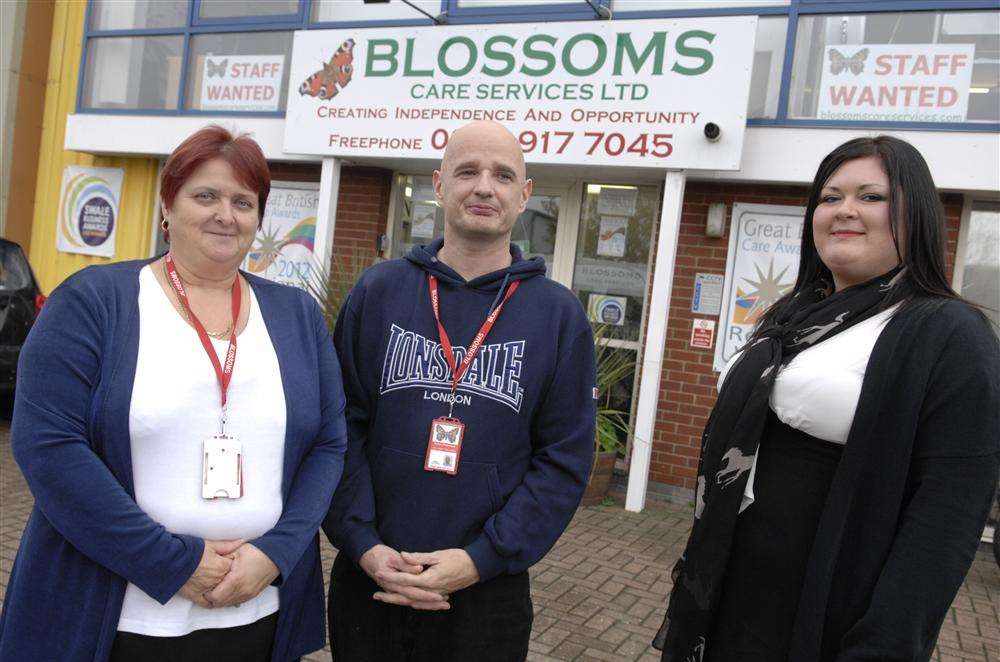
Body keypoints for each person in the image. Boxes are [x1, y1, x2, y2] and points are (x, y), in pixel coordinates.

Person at [0, 126, 348, 662]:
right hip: (117, 617)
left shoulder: (296, 315)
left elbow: (328, 443)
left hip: (256, 609)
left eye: (243, 201)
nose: (225, 214)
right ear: (168, 205)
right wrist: (172, 562)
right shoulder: (94, 302)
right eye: (204, 195)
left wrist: (275, 553)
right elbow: (48, 446)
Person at [654, 135, 999, 662]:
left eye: (871, 197)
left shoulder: (946, 332)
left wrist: (881, 648)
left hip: (819, 620)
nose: (845, 211)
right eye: (830, 197)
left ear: (918, 215)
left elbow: (945, 524)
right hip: (731, 598)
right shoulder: (795, 316)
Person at [323, 120, 596, 661]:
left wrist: (480, 559)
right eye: (467, 171)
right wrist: (362, 542)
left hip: (485, 593)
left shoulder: (558, 316)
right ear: (439, 185)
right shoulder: (379, 292)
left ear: (525, 195)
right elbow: (338, 428)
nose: (484, 187)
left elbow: (563, 460)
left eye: (502, 175)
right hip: (372, 577)